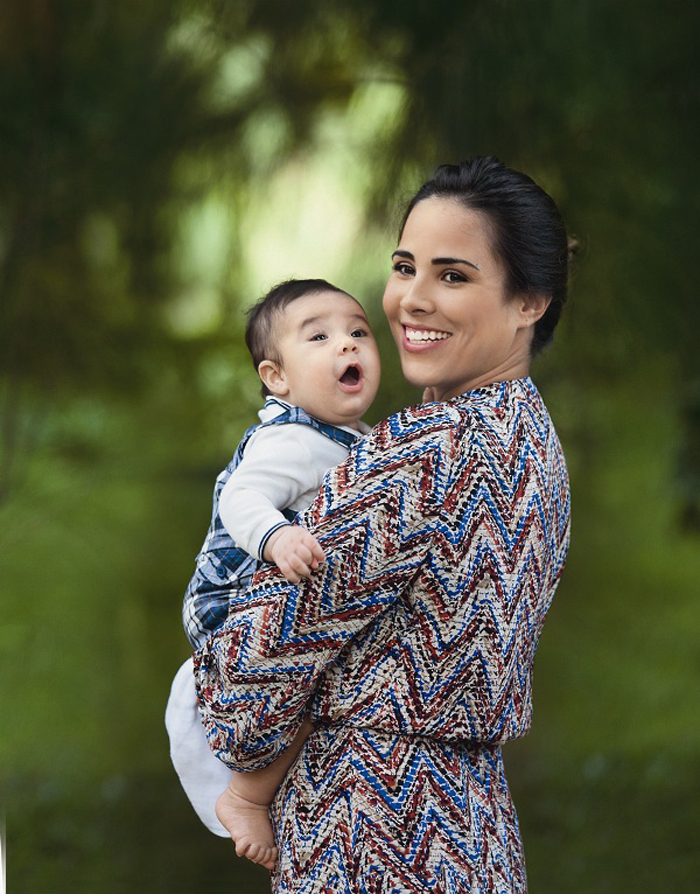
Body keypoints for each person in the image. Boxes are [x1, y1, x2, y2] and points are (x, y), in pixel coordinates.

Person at [194, 156, 573, 893]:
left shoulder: (424, 450)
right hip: (474, 829)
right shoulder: (532, 439)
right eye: (405, 267)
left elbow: (249, 685)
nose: (411, 300)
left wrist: (214, 666)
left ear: (529, 299)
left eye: (453, 276)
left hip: (370, 827)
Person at [166, 278, 381, 870]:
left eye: (358, 332)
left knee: (320, 685)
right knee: (306, 687)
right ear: (276, 378)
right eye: (320, 337)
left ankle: (249, 784)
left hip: (265, 599)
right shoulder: (291, 439)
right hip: (228, 598)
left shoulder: (350, 439)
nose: (347, 345)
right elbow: (241, 496)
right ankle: (244, 795)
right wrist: (276, 535)